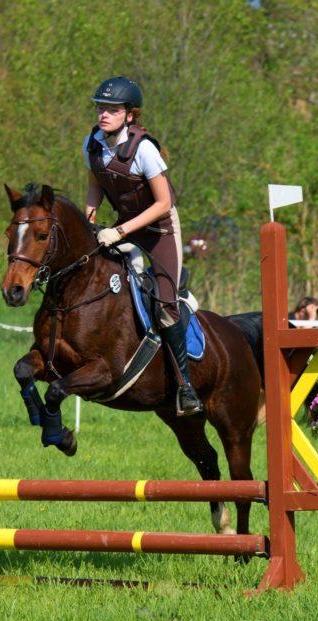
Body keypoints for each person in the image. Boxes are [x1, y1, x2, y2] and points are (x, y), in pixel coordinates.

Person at [82, 76, 200, 416]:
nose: (103, 114)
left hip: (160, 231)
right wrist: (89, 218)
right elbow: (95, 186)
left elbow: (163, 203)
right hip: (124, 226)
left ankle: (185, 387)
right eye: (100, 108)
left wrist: (119, 231)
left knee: (165, 306)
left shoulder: (144, 149)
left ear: (130, 115)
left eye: (112, 109)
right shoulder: (92, 143)